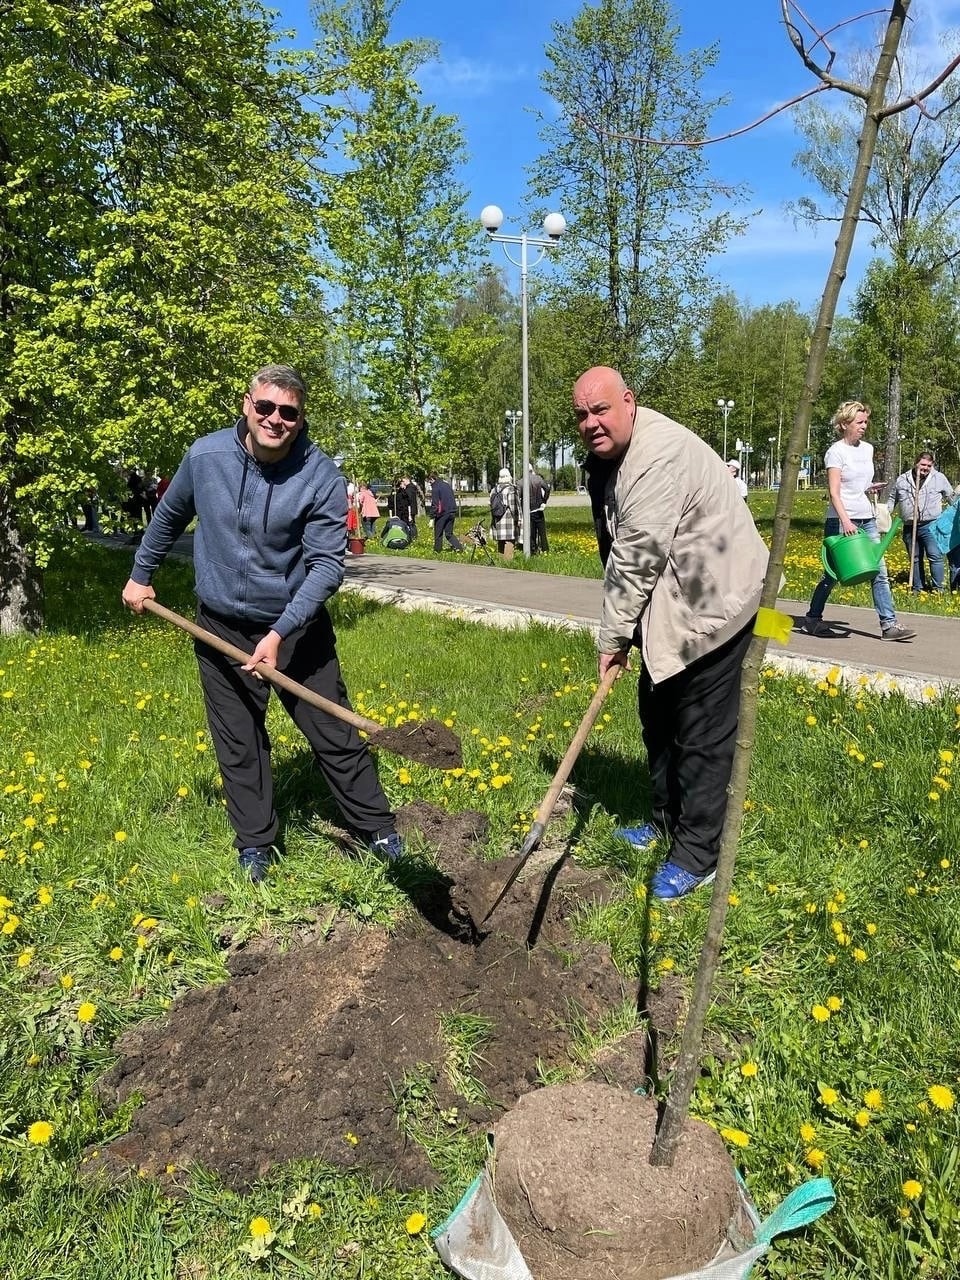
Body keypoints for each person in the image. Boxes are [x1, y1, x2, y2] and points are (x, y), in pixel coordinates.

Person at [121, 364, 402, 882]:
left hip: (295, 626)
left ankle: (376, 828)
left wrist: (279, 633)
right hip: (220, 624)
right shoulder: (206, 457)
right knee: (238, 739)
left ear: (300, 418)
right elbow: (168, 516)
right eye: (266, 407)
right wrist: (141, 575)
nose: (276, 419)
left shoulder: (319, 475)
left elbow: (326, 567)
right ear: (247, 404)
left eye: (289, 412)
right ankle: (256, 844)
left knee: (333, 728)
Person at [575, 365, 767, 901]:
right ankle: (664, 821)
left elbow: (636, 558)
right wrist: (631, 629)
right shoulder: (609, 458)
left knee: (700, 732)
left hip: (713, 601)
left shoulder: (655, 460)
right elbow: (617, 546)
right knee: (657, 717)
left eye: (601, 409)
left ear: (629, 402)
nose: (591, 422)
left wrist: (611, 639)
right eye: (582, 414)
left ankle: (697, 853)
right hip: (673, 594)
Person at [803, 401, 915, 640]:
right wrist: (845, 521)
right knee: (833, 574)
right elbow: (834, 492)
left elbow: (857, 484)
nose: (864, 426)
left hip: (867, 518)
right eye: (859, 422)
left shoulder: (867, 449)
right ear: (844, 424)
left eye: (866, 422)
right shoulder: (835, 452)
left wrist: (869, 487)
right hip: (842, 521)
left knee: (878, 570)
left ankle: (889, 625)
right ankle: (812, 619)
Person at [887, 451, 954, 592]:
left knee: (935, 556)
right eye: (923, 464)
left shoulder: (939, 478)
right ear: (916, 463)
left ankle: (938, 590)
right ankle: (918, 588)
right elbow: (893, 498)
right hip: (910, 525)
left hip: (931, 525)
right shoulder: (903, 479)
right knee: (915, 558)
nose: (925, 468)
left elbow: (950, 497)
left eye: (929, 465)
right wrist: (885, 512)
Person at [489, 467, 521, 559]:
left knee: (501, 541)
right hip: (508, 518)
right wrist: (518, 519)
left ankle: (500, 560)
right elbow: (513, 506)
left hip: (497, 518)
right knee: (509, 540)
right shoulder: (511, 489)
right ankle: (507, 561)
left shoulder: (494, 490)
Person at [427, 472, 463, 552]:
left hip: (442, 513)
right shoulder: (446, 485)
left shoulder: (436, 488)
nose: (429, 483)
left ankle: (437, 550)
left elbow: (435, 504)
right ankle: (459, 548)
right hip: (452, 511)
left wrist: (432, 517)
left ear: (432, 479)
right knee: (449, 533)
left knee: (438, 534)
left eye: (429, 481)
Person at [528, 465, 550, 553]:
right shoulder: (538, 479)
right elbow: (547, 489)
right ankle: (545, 549)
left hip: (528, 510)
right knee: (542, 531)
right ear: (532, 470)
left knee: (532, 532)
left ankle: (533, 549)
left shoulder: (521, 482)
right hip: (539, 508)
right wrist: (544, 501)